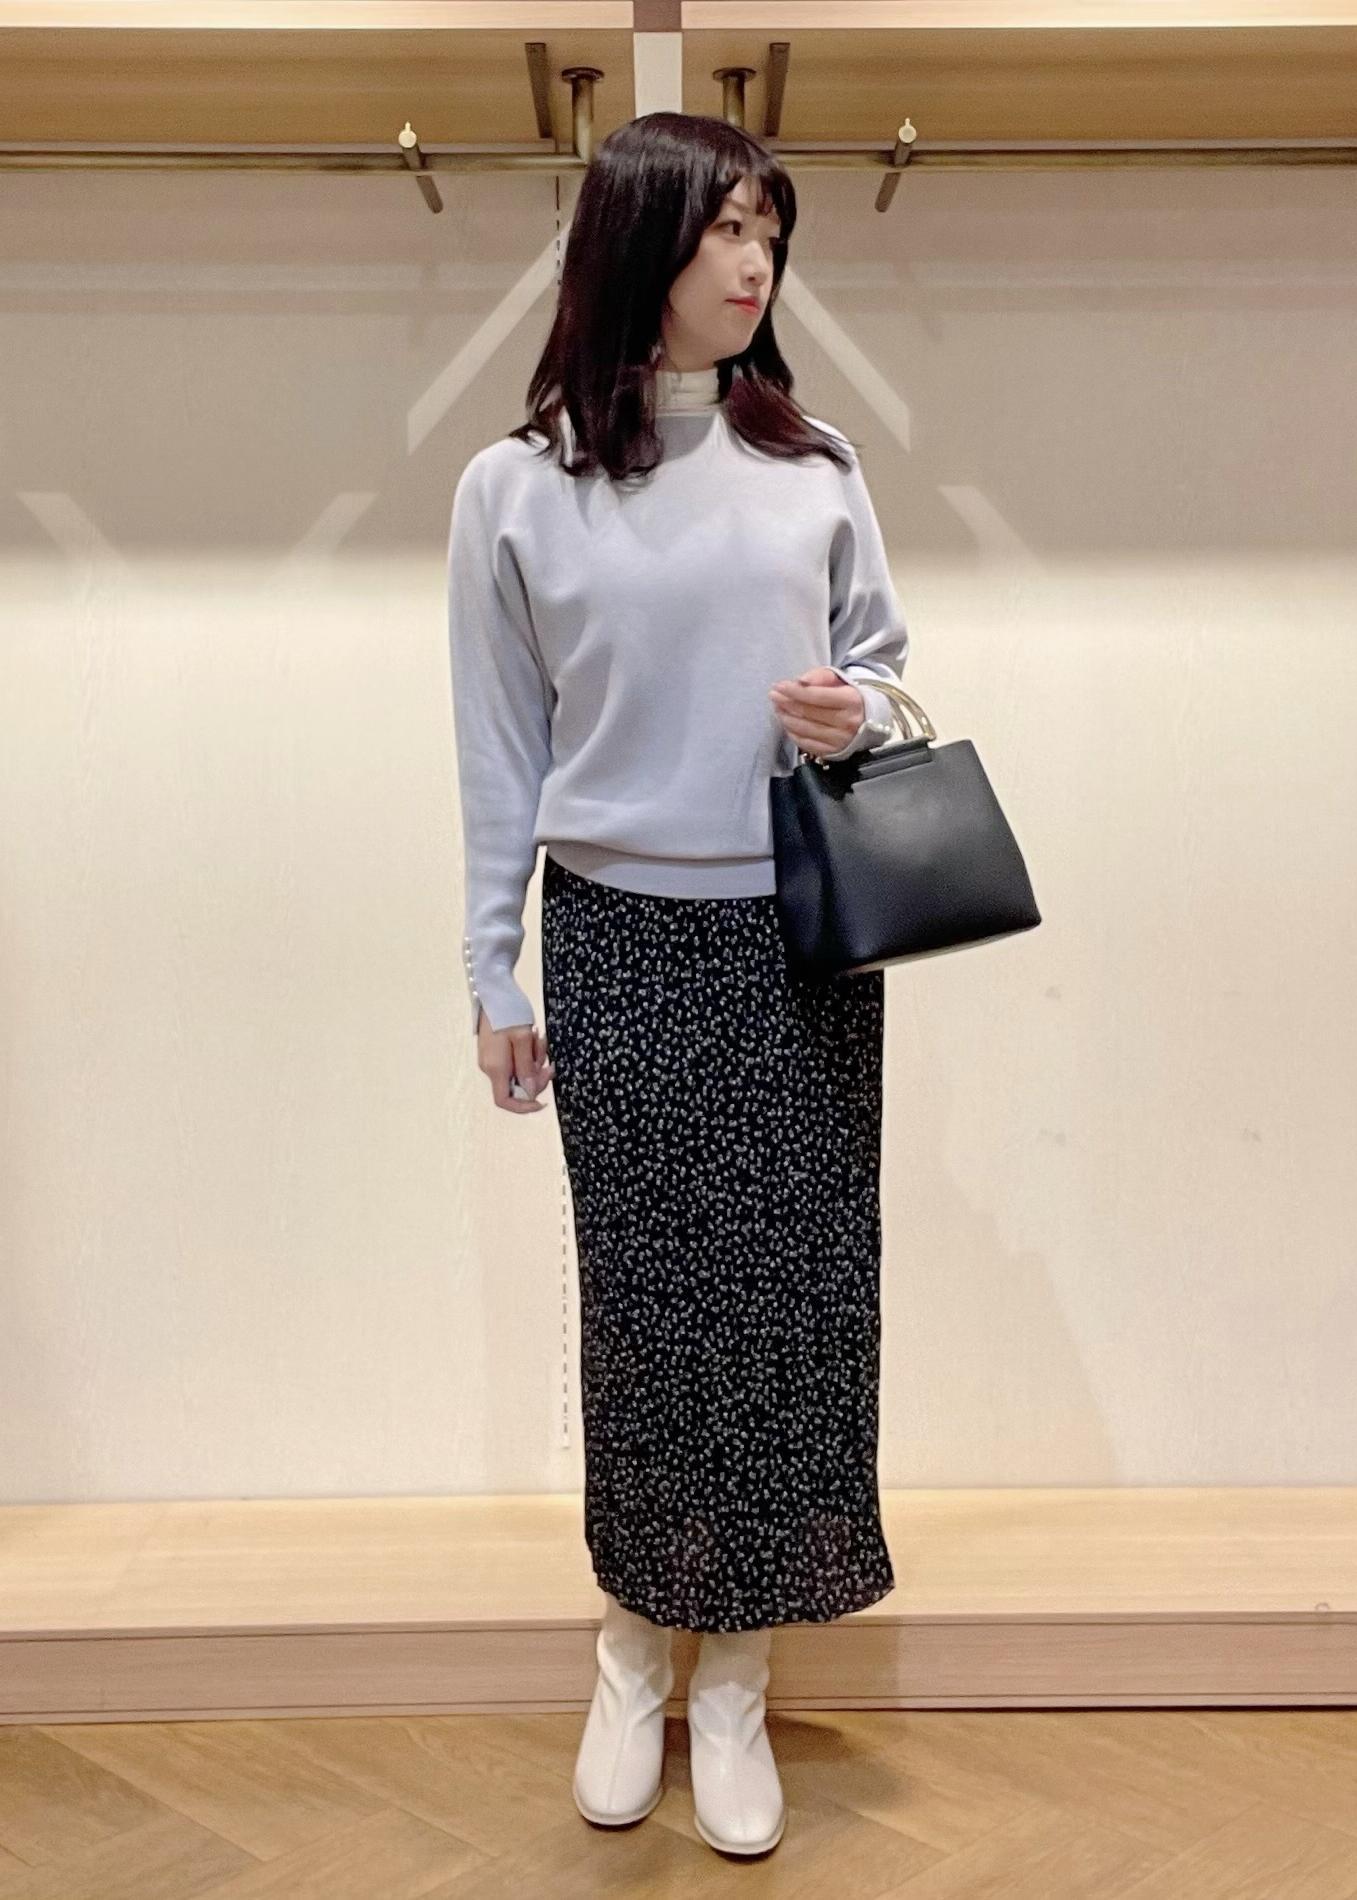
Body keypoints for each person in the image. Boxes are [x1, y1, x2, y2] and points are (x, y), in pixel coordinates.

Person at [446, 110, 908, 1859]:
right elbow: (499, 749)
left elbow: (885, 666)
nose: (752, 261)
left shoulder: (817, 464)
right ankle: (634, 1647)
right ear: (634, 241)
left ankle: (741, 1681)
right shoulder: (515, 488)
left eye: (769, 232)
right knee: (647, 1311)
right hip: (618, 937)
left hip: (798, 939)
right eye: (724, 227)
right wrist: (491, 964)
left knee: (792, 1309)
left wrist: (848, 713)